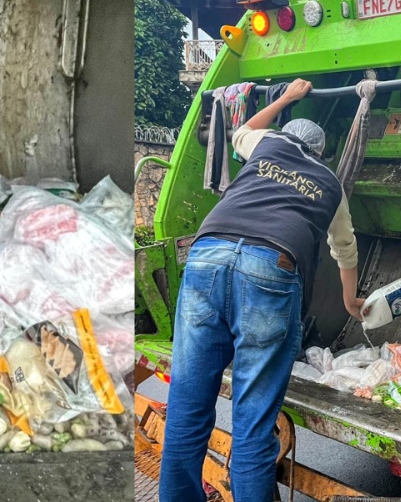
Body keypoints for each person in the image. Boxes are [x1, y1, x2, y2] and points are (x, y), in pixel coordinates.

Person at [159, 78, 364, 502]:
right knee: (252, 424)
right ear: (321, 155)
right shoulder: (330, 184)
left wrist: (286, 98)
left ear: (285, 139)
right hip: (269, 268)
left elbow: (240, 131)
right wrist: (350, 301)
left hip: (207, 257)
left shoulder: (267, 146)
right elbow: (345, 250)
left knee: (186, 408)